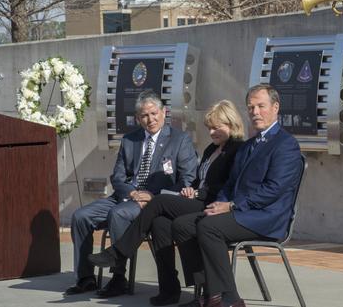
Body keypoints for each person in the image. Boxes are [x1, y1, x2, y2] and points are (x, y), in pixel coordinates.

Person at [88, 100, 245, 306]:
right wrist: (190, 189)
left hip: (215, 204)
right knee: (159, 223)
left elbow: (229, 186)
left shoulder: (238, 149)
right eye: (210, 128)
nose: (212, 132)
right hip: (197, 199)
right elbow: (199, 179)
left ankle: (118, 252)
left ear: (231, 124)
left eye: (217, 127)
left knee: (159, 201)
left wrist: (199, 192)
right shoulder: (211, 149)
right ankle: (169, 289)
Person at [172, 84, 303, 307]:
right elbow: (231, 183)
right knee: (182, 225)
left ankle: (230, 299)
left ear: (275, 107)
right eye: (251, 107)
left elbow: (273, 189)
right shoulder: (248, 146)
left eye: (261, 106)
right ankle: (208, 294)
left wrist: (231, 206)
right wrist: (220, 203)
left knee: (209, 227)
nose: (255, 112)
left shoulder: (286, 145)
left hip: (266, 217)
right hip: (241, 211)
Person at [65, 90, 198, 298]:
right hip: (126, 196)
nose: (150, 119)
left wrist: (154, 197)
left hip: (154, 202)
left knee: (118, 214)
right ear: (137, 118)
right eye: (144, 115)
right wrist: (133, 192)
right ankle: (85, 278)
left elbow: (187, 179)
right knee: (80, 216)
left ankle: (118, 278)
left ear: (164, 112)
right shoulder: (130, 140)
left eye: (154, 113)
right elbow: (117, 176)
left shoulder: (179, 140)